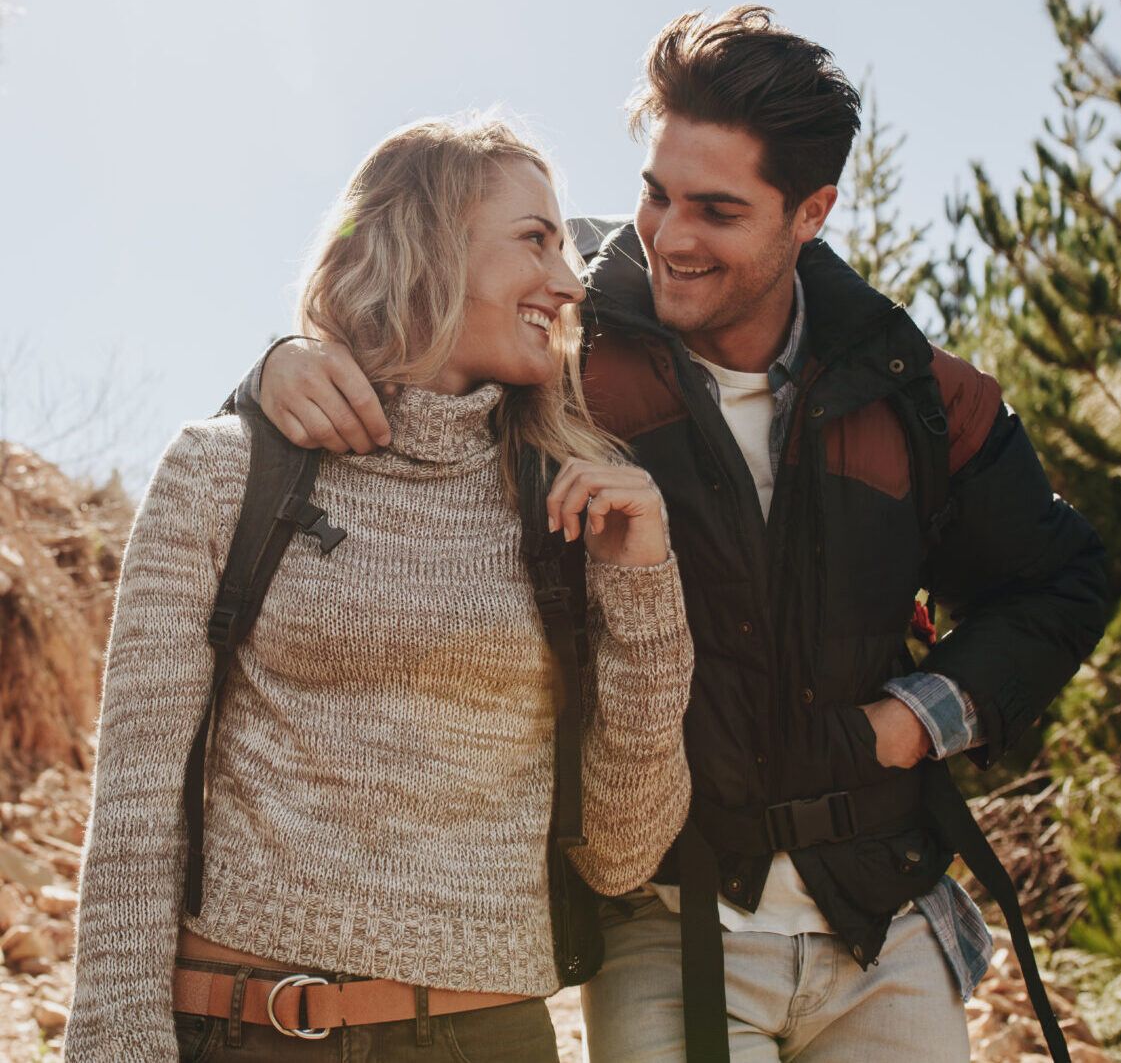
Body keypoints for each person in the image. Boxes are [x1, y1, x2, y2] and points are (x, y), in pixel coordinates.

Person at [232, 9, 1109, 1063]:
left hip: (887, 911)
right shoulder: (561, 344)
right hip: (667, 914)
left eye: (719, 209)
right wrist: (274, 365)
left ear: (812, 211)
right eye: (657, 193)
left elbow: (1061, 580)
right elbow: (395, 351)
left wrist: (910, 723)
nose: (669, 236)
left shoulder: (916, 391)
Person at [64, 118, 696, 1062]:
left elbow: (621, 852)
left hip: (489, 1040)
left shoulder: (573, 506)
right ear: (427, 245)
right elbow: (137, 800)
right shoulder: (223, 470)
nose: (568, 282)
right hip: (242, 1029)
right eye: (535, 239)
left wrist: (645, 599)